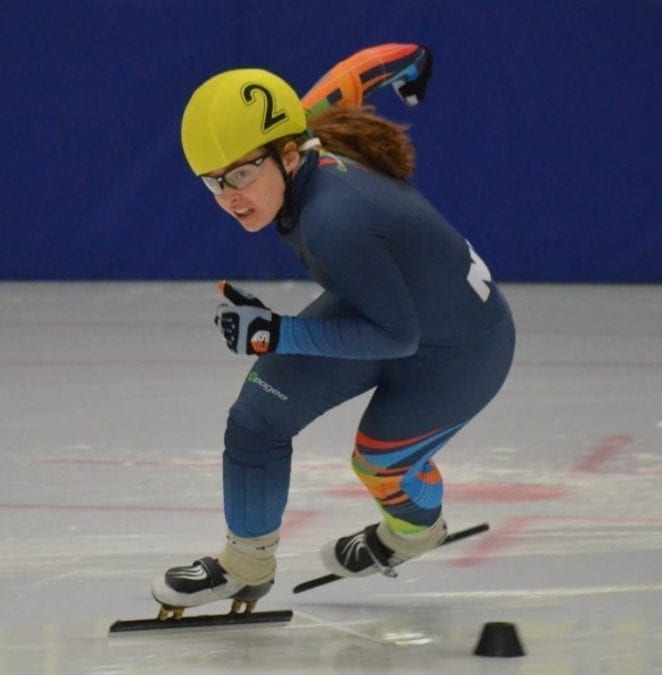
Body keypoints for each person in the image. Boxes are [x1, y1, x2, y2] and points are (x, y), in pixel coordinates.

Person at [151, 45, 515, 616]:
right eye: (212, 182)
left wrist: (277, 333)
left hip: (461, 351)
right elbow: (354, 76)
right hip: (387, 309)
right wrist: (413, 62)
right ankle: (245, 565)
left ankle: (414, 532)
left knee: (379, 461)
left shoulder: (334, 219)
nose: (230, 197)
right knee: (256, 418)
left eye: (242, 174)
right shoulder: (294, 131)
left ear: (289, 156)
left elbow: (397, 339)